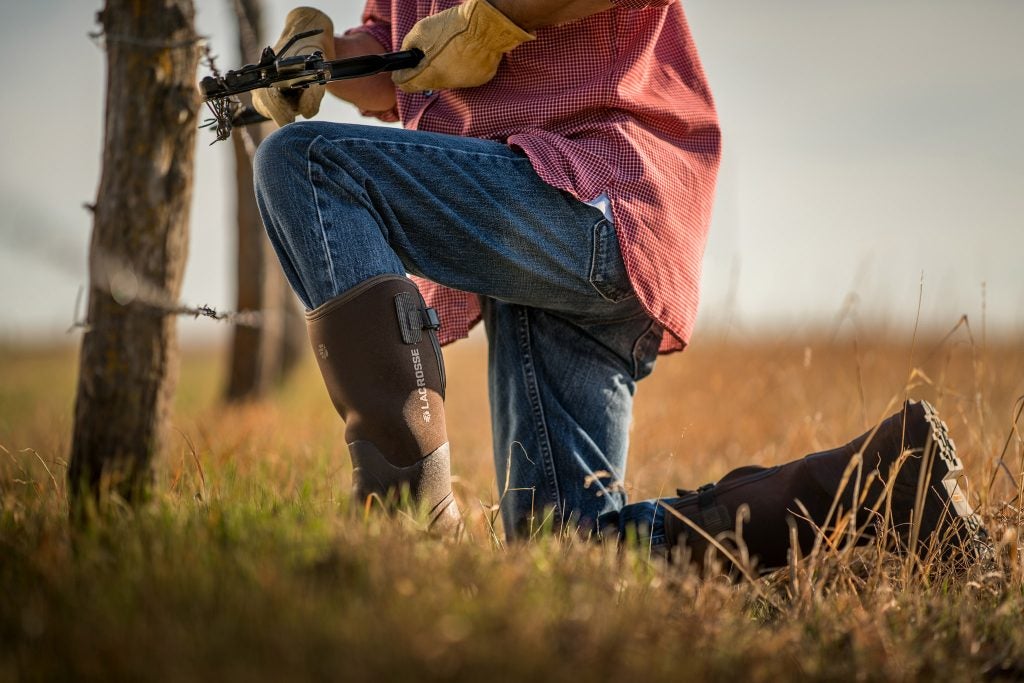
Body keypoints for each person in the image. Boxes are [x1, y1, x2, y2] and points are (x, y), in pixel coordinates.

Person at [252, 1, 987, 569]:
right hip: (532, 212)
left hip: (597, 190)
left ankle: (403, 523)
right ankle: (884, 485)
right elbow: (407, 59)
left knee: (306, 167)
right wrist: (328, 58)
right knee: (563, 549)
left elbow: (475, 32)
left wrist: (498, 18)